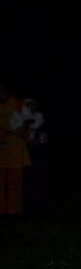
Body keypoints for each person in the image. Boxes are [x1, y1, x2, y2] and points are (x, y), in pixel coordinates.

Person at [0, 81, 31, 216]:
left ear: (6, 92)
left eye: (2, 91)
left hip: (15, 153)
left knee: (15, 185)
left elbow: (31, 118)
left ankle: (14, 212)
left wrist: (23, 128)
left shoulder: (18, 104)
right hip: (1, 152)